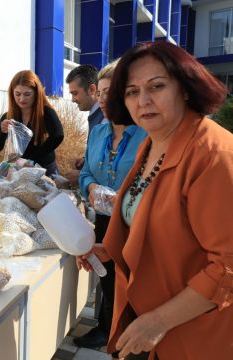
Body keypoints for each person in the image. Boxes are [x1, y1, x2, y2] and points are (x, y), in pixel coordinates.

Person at [81, 41, 233, 359]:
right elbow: (145, 214)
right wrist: (109, 249)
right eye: (132, 91)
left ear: (186, 88)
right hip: (146, 314)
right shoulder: (150, 144)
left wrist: (159, 321)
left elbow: (228, 266)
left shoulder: (213, 154)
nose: (143, 101)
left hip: (193, 332)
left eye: (157, 86)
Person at [74, 59, 147, 351]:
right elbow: (86, 171)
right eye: (100, 92)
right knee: (107, 281)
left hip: (137, 223)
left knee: (134, 286)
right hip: (104, 219)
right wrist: (91, 187)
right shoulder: (99, 132)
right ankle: (108, 331)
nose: (102, 99)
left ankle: (131, 337)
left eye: (109, 92)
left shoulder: (148, 134)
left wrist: (124, 198)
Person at [0, 70, 64, 177]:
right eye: (17, 94)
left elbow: (58, 135)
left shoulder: (46, 112)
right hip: (18, 171)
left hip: (44, 170)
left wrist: (32, 161)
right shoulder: (8, 116)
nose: (22, 99)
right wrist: (2, 132)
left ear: (36, 93)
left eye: (27, 94)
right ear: (12, 93)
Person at [66, 64, 105, 182]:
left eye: (75, 93)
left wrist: (81, 177)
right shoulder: (95, 113)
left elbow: (109, 167)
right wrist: (86, 159)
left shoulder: (105, 119)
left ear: (92, 89)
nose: (73, 99)